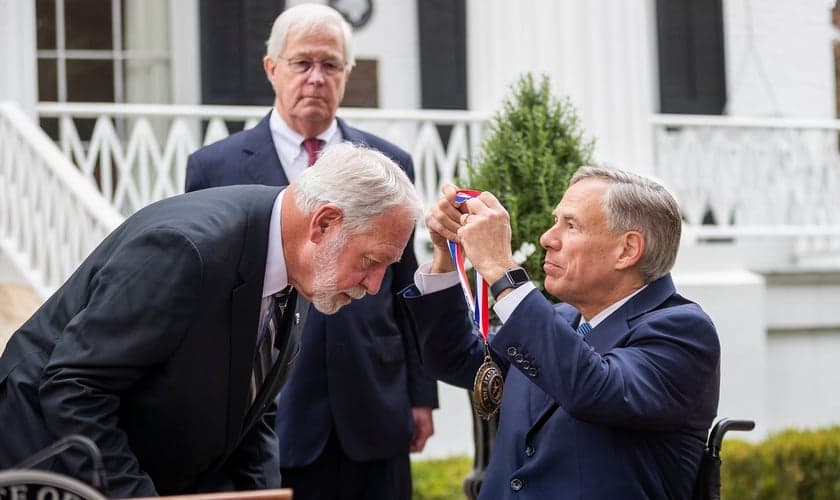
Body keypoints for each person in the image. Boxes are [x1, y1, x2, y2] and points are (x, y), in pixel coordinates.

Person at [0, 143, 422, 499]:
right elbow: (74, 387)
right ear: (324, 223)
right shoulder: (186, 252)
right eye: (370, 261)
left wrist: (256, 497)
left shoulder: (308, 266)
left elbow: (251, 413)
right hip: (45, 461)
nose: (374, 285)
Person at [185, 4, 437, 499]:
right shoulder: (214, 168)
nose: (317, 78)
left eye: (331, 65)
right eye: (303, 63)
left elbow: (404, 285)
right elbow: (206, 301)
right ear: (271, 68)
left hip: (375, 406)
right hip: (271, 415)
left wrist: (420, 393)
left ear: (347, 73)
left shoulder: (391, 163)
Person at [402, 166, 721, 499]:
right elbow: (457, 359)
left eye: (571, 225)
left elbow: (593, 387)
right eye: (556, 221)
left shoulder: (683, 331)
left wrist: (501, 269)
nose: (547, 238)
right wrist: (445, 260)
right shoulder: (563, 318)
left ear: (627, 250)